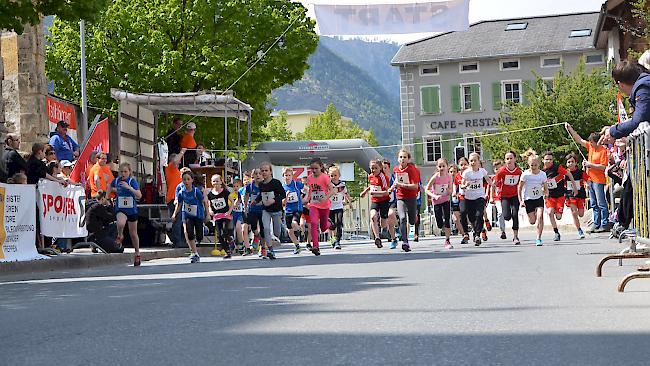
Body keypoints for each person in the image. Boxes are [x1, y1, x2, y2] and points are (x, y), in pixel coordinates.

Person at [567, 123, 611, 232]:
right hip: (590, 179)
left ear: (596, 142)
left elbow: (603, 167)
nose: (590, 144)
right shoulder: (591, 147)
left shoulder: (603, 151)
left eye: (591, 142)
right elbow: (579, 140)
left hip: (599, 180)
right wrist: (570, 129)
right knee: (594, 203)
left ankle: (605, 223)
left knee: (601, 203)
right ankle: (596, 224)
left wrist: (590, 165)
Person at [600, 61, 650, 144]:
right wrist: (615, 128)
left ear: (620, 84)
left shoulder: (643, 88)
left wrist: (612, 131)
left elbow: (639, 121)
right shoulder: (644, 84)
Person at [172, 171, 209, 263]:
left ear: (192, 180)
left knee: (199, 236)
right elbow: (179, 204)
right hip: (187, 215)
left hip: (198, 214)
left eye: (188, 179)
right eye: (184, 179)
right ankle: (194, 253)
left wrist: (207, 214)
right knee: (189, 233)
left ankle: (203, 230)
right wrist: (174, 214)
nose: (186, 181)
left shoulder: (196, 191)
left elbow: (204, 202)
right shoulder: (181, 192)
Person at [542, 151, 579, 241]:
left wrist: (574, 187)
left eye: (550, 159)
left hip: (560, 196)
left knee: (558, 217)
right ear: (543, 160)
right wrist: (543, 191)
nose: (549, 161)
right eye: (547, 159)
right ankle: (556, 232)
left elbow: (569, 174)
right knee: (550, 212)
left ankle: (556, 211)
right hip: (550, 196)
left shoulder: (557, 168)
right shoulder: (542, 172)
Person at [111, 163, 142, 266]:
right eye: (121, 172)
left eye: (125, 172)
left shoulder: (132, 181)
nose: (123, 174)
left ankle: (137, 253)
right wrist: (107, 197)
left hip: (131, 210)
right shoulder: (116, 181)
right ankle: (120, 235)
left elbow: (139, 195)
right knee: (120, 223)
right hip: (121, 208)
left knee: (133, 234)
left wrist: (129, 188)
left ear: (129, 172)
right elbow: (109, 186)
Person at [460, 152, 494, 246]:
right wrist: (465, 185)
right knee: (471, 217)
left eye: (475, 160)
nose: (473, 162)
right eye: (471, 161)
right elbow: (462, 185)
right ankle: (476, 232)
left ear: (479, 162)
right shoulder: (466, 172)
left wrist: (493, 184)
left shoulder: (482, 171)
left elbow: (487, 179)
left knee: (479, 215)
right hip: (469, 198)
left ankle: (478, 235)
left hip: (480, 196)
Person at [391, 149, 421, 252]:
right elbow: (396, 181)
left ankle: (415, 216)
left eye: (404, 157)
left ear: (408, 159)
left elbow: (415, 186)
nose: (402, 159)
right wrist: (393, 187)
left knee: (412, 221)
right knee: (403, 218)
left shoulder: (412, 170)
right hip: (400, 197)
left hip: (412, 197)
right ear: (398, 159)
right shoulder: (396, 170)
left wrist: (401, 185)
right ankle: (405, 241)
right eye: (400, 157)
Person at [519, 152, 549, 246]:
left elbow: (545, 187)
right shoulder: (525, 174)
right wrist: (521, 201)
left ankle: (538, 238)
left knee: (540, 216)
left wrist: (546, 193)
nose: (534, 167)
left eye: (535, 165)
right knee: (532, 221)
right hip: (528, 199)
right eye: (532, 165)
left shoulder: (542, 174)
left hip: (539, 198)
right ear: (529, 164)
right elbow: (519, 188)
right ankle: (534, 214)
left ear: (539, 164)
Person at [257, 162, 286, 260]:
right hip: (266, 210)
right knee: (266, 229)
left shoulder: (276, 182)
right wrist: (255, 201)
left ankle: (274, 241)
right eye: (262, 171)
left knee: (277, 232)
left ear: (270, 172)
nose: (264, 172)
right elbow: (261, 194)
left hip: (276, 210)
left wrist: (273, 200)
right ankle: (270, 250)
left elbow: (283, 195)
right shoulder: (261, 184)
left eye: (266, 170)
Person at [493, 151, 523, 245]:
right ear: (505, 160)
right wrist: (496, 188)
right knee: (506, 216)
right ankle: (506, 226)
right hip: (504, 196)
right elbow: (496, 182)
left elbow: (522, 182)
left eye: (511, 158)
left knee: (515, 214)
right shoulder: (501, 171)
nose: (509, 160)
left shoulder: (519, 171)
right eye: (507, 159)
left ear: (514, 159)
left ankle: (515, 236)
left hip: (515, 195)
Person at [306, 158, 334, 256]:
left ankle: (329, 224)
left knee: (323, 228)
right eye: (312, 168)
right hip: (314, 205)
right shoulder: (309, 178)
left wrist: (325, 198)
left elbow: (332, 190)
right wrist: (306, 199)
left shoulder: (325, 177)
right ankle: (315, 246)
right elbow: (310, 191)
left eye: (316, 168)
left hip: (324, 206)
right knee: (313, 223)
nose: (314, 170)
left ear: (321, 167)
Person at [360, 159, 391, 249]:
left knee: (383, 221)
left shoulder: (383, 177)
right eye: (372, 168)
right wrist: (365, 191)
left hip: (384, 200)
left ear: (380, 168)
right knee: (373, 216)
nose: (373, 170)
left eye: (376, 168)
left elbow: (387, 191)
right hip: (375, 200)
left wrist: (377, 193)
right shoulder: (370, 177)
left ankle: (385, 230)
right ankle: (377, 238)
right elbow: (371, 186)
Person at [425, 158, 453, 249]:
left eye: (443, 166)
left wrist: (449, 191)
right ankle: (442, 225)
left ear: (447, 167)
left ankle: (447, 240)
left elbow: (451, 189)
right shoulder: (435, 177)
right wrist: (434, 195)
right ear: (437, 167)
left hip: (446, 200)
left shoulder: (449, 177)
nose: (442, 168)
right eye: (440, 166)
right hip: (436, 201)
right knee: (439, 223)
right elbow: (427, 189)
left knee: (447, 220)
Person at [207, 174, 233, 259]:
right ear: (211, 182)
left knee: (224, 232)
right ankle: (227, 251)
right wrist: (210, 210)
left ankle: (230, 239)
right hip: (217, 216)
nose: (215, 183)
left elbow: (232, 202)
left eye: (217, 181)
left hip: (225, 215)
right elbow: (209, 204)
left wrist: (229, 211)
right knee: (219, 235)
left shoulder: (225, 192)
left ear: (221, 182)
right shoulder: (210, 194)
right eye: (214, 181)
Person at [565, 152, 589, 239]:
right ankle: (579, 230)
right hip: (570, 195)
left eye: (572, 161)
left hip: (580, 194)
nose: (570, 163)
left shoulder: (580, 172)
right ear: (566, 164)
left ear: (575, 163)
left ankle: (579, 227)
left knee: (581, 214)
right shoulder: (565, 173)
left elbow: (587, 179)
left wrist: (587, 184)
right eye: (568, 162)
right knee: (574, 213)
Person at [165, 149, 186, 247]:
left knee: (179, 220)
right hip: (173, 198)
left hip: (177, 197)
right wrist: (181, 152)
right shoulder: (171, 168)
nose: (179, 162)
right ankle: (177, 241)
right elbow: (175, 161)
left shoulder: (176, 170)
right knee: (177, 220)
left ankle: (180, 240)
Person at [282, 168, 304, 254]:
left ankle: (300, 231)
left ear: (292, 176)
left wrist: (305, 198)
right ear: (283, 176)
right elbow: (283, 202)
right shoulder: (282, 187)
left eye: (289, 175)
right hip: (288, 210)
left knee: (294, 223)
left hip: (297, 209)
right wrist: (286, 197)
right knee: (289, 230)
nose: (287, 177)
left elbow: (306, 188)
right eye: (286, 175)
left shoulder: (296, 184)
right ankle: (297, 245)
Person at [328, 165, 351, 250]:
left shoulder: (342, 184)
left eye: (335, 175)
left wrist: (350, 202)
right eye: (331, 175)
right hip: (330, 207)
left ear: (339, 175)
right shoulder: (328, 184)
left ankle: (337, 241)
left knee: (339, 222)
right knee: (332, 225)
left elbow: (346, 194)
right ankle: (332, 238)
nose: (333, 177)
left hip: (339, 206)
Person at [244, 169, 265, 256]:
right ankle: (257, 236)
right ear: (253, 176)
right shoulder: (250, 186)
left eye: (260, 174)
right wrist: (245, 207)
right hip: (253, 209)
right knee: (253, 228)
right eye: (256, 174)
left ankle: (262, 248)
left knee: (263, 228)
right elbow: (246, 196)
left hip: (263, 210)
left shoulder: (265, 185)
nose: (258, 176)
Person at [230, 178, 250, 255]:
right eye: (234, 186)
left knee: (240, 227)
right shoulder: (232, 195)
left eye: (237, 186)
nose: (235, 188)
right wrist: (233, 204)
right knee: (236, 230)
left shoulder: (244, 191)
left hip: (241, 214)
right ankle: (240, 245)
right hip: (234, 214)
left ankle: (241, 245)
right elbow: (234, 202)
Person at [381, 159, 399, 249]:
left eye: (385, 168)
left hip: (392, 201)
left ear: (389, 168)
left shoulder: (393, 177)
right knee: (389, 222)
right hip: (384, 202)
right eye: (382, 168)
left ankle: (398, 227)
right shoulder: (380, 178)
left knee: (391, 213)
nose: (383, 169)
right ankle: (393, 239)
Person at [454, 157, 471, 244]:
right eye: (461, 165)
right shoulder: (457, 176)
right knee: (463, 213)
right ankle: (465, 233)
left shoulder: (471, 173)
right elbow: (455, 185)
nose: (463, 166)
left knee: (473, 216)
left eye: (465, 164)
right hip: (462, 197)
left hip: (472, 196)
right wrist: (454, 192)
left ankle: (479, 230)